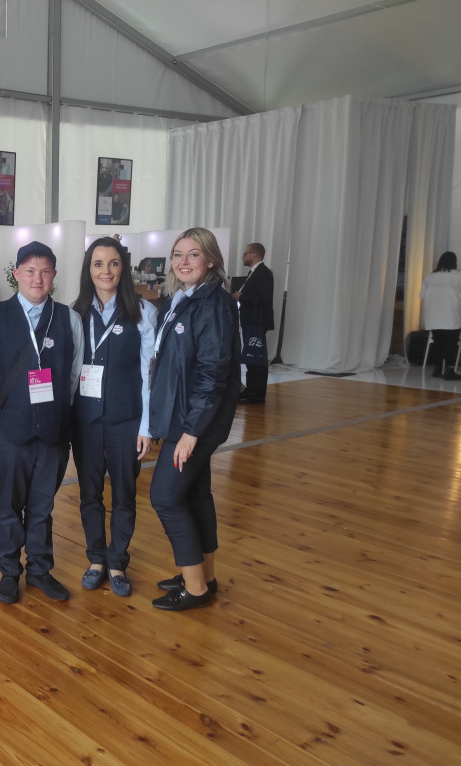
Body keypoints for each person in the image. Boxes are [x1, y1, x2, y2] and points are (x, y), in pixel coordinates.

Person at [0, 241, 83, 604]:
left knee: (43, 506)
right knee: (8, 504)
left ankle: (39, 570)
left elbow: (74, 374)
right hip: (9, 430)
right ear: (16, 275)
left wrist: (56, 410)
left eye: (45, 271)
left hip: (53, 431)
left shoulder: (69, 318)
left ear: (53, 275)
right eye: (29, 271)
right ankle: (9, 571)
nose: (37, 279)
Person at [148, 228, 240, 611]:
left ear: (212, 260)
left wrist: (191, 432)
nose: (183, 262)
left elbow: (212, 373)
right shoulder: (184, 299)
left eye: (194, 254)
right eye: (177, 255)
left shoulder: (213, 304)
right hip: (185, 415)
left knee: (165, 497)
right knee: (196, 494)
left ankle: (195, 589)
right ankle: (203, 575)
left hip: (195, 420)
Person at [70, 237, 156, 597]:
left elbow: (150, 373)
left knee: (124, 493)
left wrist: (147, 427)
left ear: (124, 268)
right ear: (88, 270)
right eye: (98, 263)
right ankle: (96, 558)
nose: (106, 271)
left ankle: (118, 560)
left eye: (114, 263)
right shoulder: (74, 312)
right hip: (85, 421)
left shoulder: (143, 311)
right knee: (89, 493)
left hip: (126, 420)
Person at [232, 242, 275, 403]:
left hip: (257, 321)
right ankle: (251, 389)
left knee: (256, 356)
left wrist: (241, 296)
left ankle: (257, 394)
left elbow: (264, 299)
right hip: (250, 321)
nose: (243, 257)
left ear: (254, 255)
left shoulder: (264, 273)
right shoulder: (254, 272)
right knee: (251, 357)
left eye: (245, 253)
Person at [420, 251, 461, 381]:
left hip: (433, 317)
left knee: (437, 342)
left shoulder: (429, 277)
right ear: (454, 262)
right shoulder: (458, 276)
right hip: (451, 316)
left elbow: (422, 295)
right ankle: (449, 370)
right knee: (452, 343)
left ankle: (437, 369)